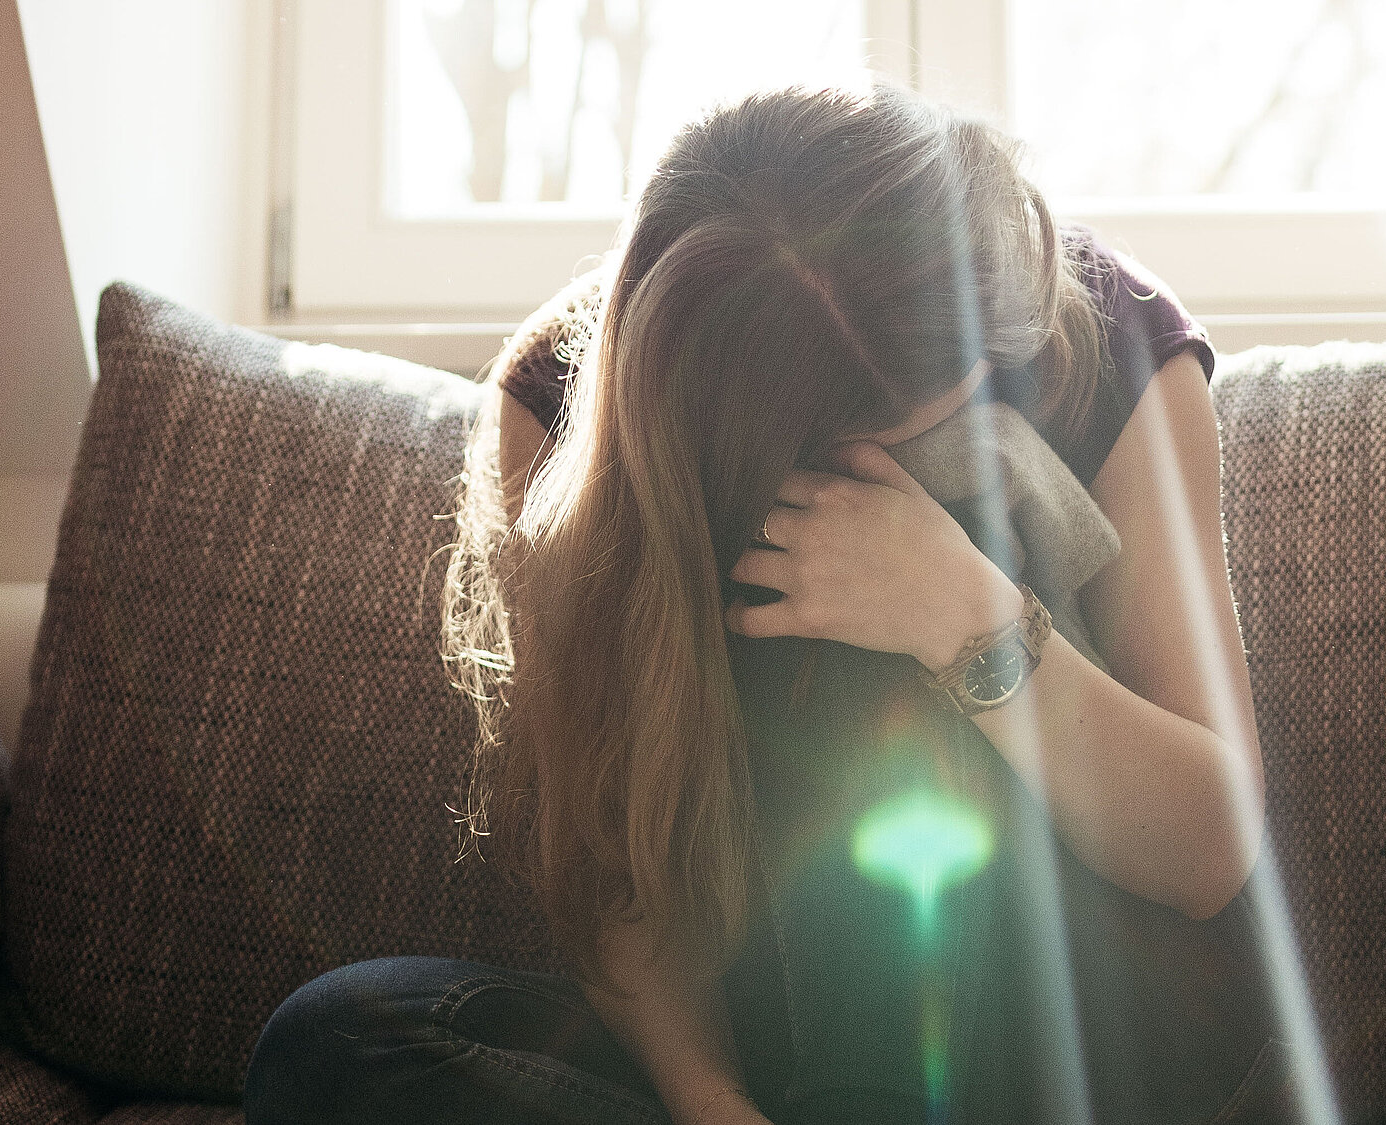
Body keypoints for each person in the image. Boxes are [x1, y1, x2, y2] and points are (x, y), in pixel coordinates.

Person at [243, 82, 1279, 1125]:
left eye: (957, 393)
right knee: (338, 1042)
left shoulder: (1110, 338)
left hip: (1080, 1027)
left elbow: (1205, 856)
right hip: (767, 1045)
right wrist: (711, 1102)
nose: (973, 395)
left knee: (848, 607)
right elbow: (615, 855)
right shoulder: (566, 403)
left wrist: (957, 612)